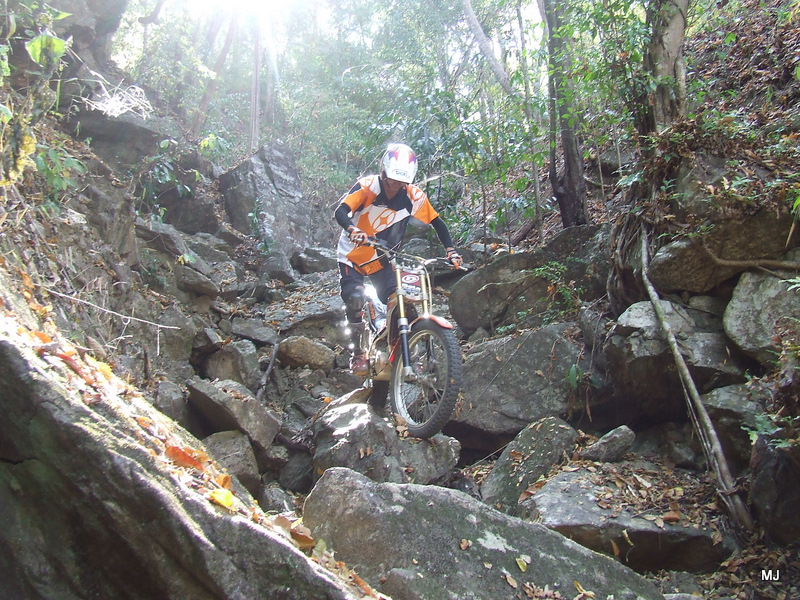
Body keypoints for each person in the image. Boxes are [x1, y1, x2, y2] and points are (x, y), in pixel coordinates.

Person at [334, 143, 463, 374]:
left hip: (383, 258)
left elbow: (437, 222)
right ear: (383, 172)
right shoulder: (367, 186)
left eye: (401, 182)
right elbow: (341, 211)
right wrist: (352, 229)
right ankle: (359, 353)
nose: (395, 185)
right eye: (391, 180)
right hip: (352, 256)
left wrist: (451, 250)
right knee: (354, 298)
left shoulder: (413, 196)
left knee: (402, 302)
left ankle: (401, 350)